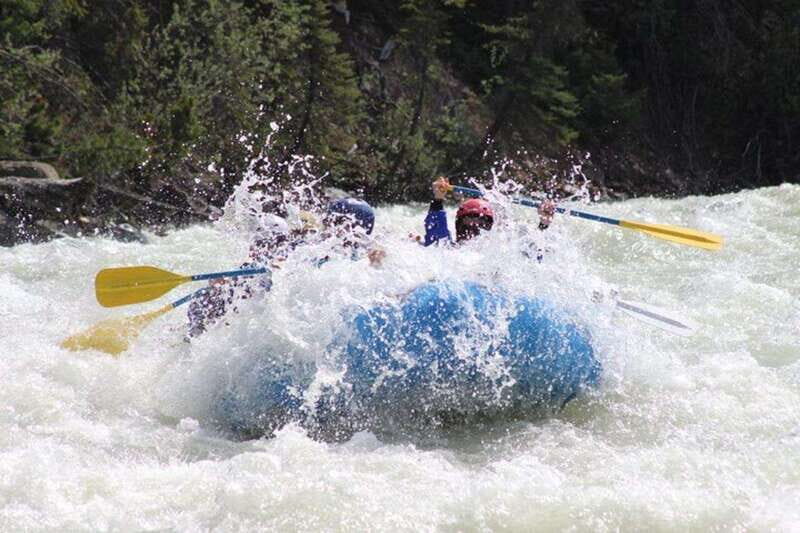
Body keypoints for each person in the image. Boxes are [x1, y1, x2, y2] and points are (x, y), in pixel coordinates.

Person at [187, 197, 382, 338]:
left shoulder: (360, 253)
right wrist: (226, 282)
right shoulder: (313, 246)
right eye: (331, 221)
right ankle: (190, 335)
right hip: (277, 305)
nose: (332, 226)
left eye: (339, 222)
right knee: (207, 298)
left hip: (309, 314)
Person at [422, 177, 555, 246]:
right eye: (470, 218)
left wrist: (544, 224)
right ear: (459, 223)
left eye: (481, 221)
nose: (474, 224)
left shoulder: (497, 253)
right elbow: (435, 230)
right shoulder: (447, 246)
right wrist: (438, 199)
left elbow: (528, 249)